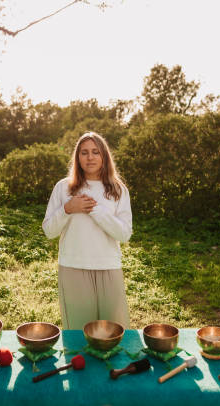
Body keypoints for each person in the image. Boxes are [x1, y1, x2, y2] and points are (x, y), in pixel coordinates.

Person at [42, 132, 132, 330]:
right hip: (73, 267)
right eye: (84, 152)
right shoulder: (63, 188)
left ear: (104, 157)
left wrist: (95, 210)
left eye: (95, 152)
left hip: (108, 266)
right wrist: (67, 209)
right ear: (77, 157)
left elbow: (125, 234)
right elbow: (49, 230)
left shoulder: (118, 190)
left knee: (114, 332)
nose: (90, 157)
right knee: (78, 332)